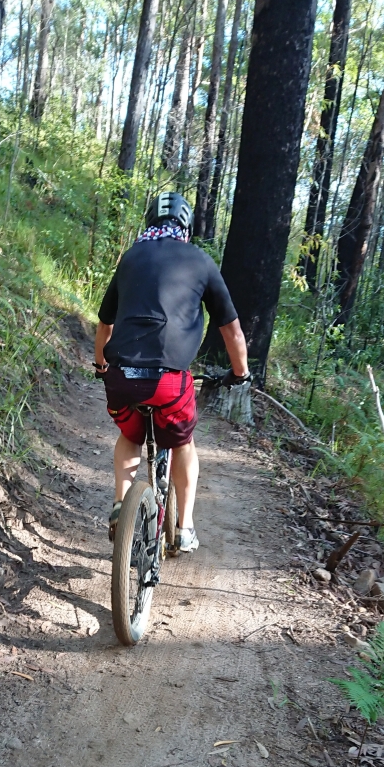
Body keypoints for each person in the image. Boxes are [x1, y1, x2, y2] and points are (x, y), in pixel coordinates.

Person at [94, 191, 251, 552]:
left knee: (131, 436)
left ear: (150, 222)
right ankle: (184, 528)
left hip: (121, 379)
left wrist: (102, 365)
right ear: (187, 226)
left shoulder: (131, 258)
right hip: (168, 382)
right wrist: (240, 375)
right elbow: (232, 331)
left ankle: (121, 505)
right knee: (183, 443)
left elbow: (105, 325)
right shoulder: (200, 261)